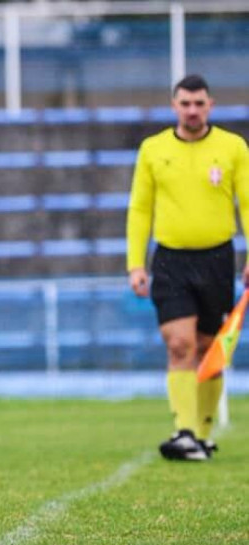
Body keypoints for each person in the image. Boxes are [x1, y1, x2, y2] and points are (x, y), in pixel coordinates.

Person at [127, 74, 249, 461]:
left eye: (199, 103)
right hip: (170, 261)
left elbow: (246, 203)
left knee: (209, 348)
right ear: (174, 105)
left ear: (210, 105)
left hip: (217, 259)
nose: (192, 110)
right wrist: (135, 263)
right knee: (179, 344)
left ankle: (203, 433)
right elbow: (140, 208)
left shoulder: (233, 147)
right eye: (185, 103)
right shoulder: (153, 149)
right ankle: (184, 430)